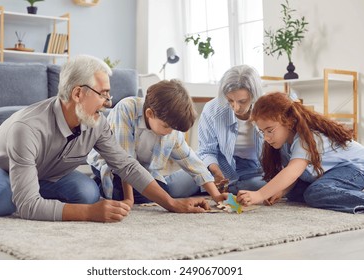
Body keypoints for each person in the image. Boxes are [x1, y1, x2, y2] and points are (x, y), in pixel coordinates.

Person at [0, 55, 210, 223]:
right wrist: (89, 213)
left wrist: (171, 203)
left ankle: (26, 189)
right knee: (1, 200)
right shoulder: (27, 128)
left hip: (47, 173)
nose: (108, 102)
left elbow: (125, 165)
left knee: (87, 194)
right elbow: (28, 207)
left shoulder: (96, 122)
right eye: (103, 94)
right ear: (78, 93)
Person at [88, 79, 228, 206]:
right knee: (126, 193)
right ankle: (98, 183)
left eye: (173, 129)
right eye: (166, 127)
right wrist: (128, 199)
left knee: (162, 192)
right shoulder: (126, 109)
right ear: (149, 114)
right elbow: (125, 163)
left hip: (142, 169)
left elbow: (191, 162)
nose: (170, 131)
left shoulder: (170, 126)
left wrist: (216, 195)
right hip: (114, 165)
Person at [237, 92, 364, 214]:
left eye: (269, 130)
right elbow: (295, 176)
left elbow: (292, 171)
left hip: (356, 167)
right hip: (331, 172)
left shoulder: (307, 138)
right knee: (294, 192)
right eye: (262, 131)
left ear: (289, 121)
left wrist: (259, 195)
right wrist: (281, 191)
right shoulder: (284, 143)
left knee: (316, 193)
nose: (266, 137)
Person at [197, 65, 266, 194]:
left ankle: (229, 187)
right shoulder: (212, 109)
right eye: (230, 100)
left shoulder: (267, 108)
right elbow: (206, 150)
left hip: (254, 169)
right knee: (177, 187)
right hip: (220, 164)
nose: (236, 108)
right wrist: (216, 172)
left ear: (254, 95)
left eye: (242, 101)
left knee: (258, 184)